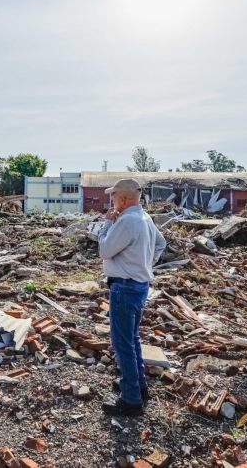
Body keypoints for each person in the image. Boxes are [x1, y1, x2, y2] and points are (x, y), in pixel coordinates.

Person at [98, 178, 166, 416]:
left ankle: (131, 400)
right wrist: (145, 265)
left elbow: (104, 251)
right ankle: (138, 386)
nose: (111, 200)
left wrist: (107, 225)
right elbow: (161, 243)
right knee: (132, 339)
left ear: (124, 199)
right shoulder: (144, 218)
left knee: (122, 344)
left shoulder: (126, 221)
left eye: (114, 196)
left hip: (125, 288)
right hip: (139, 285)